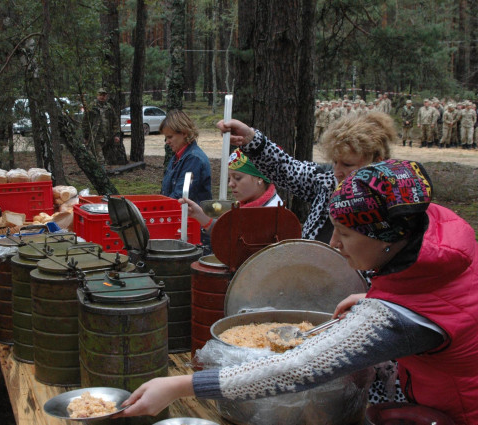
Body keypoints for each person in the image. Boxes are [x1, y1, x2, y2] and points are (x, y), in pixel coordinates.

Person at [117, 159, 478, 425]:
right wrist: (374, 297)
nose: (334, 244)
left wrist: (180, 386)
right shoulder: (435, 237)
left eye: (345, 234)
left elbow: (296, 367)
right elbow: (442, 302)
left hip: (458, 411)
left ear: (387, 236)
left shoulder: (397, 319)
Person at [213, 111, 391, 243]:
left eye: (347, 165)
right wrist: (251, 139)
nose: (337, 171)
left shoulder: (391, 203)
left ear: (377, 162)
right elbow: (285, 169)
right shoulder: (326, 182)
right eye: (335, 162)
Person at [180, 148, 281, 254]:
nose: (230, 184)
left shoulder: (271, 214)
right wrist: (199, 215)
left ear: (260, 178)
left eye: (237, 178)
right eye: (229, 178)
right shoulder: (249, 206)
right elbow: (231, 233)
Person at [160, 109, 212, 205]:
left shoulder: (194, 159)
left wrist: (160, 206)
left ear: (184, 133)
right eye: (166, 138)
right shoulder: (177, 157)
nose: (167, 142)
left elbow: (180, 196)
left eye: (170, 137)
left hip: (189, 213)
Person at [81, 87, 121, 165]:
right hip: (95, 136)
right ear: (97, 95)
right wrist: (86, 136)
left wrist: (116, 134)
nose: (102, 97)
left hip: (107, 136)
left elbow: (115, 121)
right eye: (100, 95)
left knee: (105, 157)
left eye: (104, 95)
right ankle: (101, 171)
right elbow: (85, 122)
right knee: (100, 158)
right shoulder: (92, 107)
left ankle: (99, 169)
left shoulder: (109, 107)